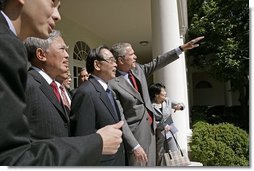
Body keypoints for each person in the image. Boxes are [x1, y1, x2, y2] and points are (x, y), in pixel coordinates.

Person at [0, 0, 123, 165]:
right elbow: (12, 158)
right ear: (41, 54)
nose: (57, 15)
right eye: (52, 3)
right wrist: (97, 142)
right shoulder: (11, 53)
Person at [109, 36, 204, 166]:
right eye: (131, 54)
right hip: (135, 135)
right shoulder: (112, 83)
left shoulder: (138, 69)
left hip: (152, 130)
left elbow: (158, 62)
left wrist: (181, 48)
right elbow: (121, 120)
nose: (135, 57)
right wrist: (134, 145)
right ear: (121, 60)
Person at [71, 45, 129, 165]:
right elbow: (83, 140)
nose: (115, 65)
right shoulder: (86, 93)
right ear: (97, 65)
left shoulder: (107, 90)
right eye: (111, 60)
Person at [149, 83, 184, 166]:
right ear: (156, 94)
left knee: (174, 150)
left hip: (170, 131)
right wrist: (163, 125)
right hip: (159, 132)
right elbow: (151, 120)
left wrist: (180, 107)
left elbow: (181, 105)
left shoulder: (167, 100)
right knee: (160, 153)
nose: (165, 93)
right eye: (163, 91)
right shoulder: (150, 105)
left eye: (165, 91)